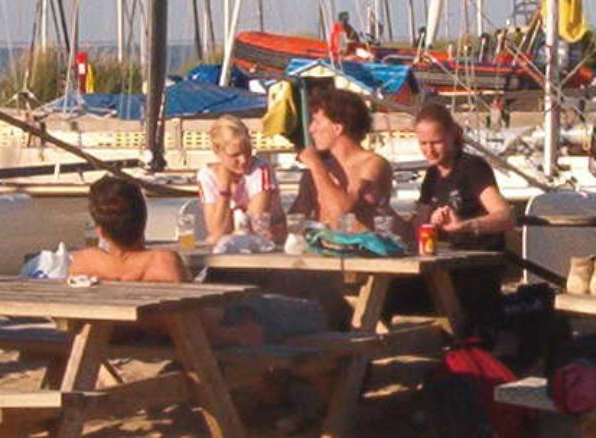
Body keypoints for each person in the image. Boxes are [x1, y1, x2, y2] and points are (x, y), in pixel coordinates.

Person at [69, 175, 263, 347]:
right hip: (186, 343)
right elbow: (200, 328)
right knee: (268, 309)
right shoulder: (162, 263)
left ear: (101, 232)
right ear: (144, 221)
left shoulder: (83, 263)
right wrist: (239, 335)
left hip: (112, 341)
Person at [414, 103, 514, 340]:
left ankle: (462, 346)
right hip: (446, 263)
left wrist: (465, 226)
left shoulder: (472, 168)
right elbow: (419, 223)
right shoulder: (432, 175)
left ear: (452, 136)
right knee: (396, 291)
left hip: (476, 266)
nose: (429, 150)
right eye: (423, 143)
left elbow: (506, 216)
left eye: (436, 142)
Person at [290, 88, 409, 239]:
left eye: (317, 122)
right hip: (326, 247)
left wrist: (315, 164)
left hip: (364, 249)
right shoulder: (318, 168)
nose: (311, 129)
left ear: (337, 128)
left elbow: (342, 213)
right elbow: (296, 217)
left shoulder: (372, 164)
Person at [197, 114, 286, 244]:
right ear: (217, 152)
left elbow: (254, 227)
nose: (243, 160)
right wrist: (224, 189)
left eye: (247, 151)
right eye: (235, 155)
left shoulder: (260, 169)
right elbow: (217, 231)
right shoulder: (207, 176)